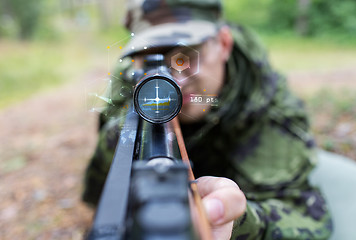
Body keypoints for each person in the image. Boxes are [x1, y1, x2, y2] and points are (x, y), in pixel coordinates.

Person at [83, 0, 333, 239]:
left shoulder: (264, 103)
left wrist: (237, 223)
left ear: (224, 44)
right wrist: (124, 136)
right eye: (153, 61)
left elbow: (307, 216)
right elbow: (99, 187)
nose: (175, 82)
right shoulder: (129, 80)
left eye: (185, 58)